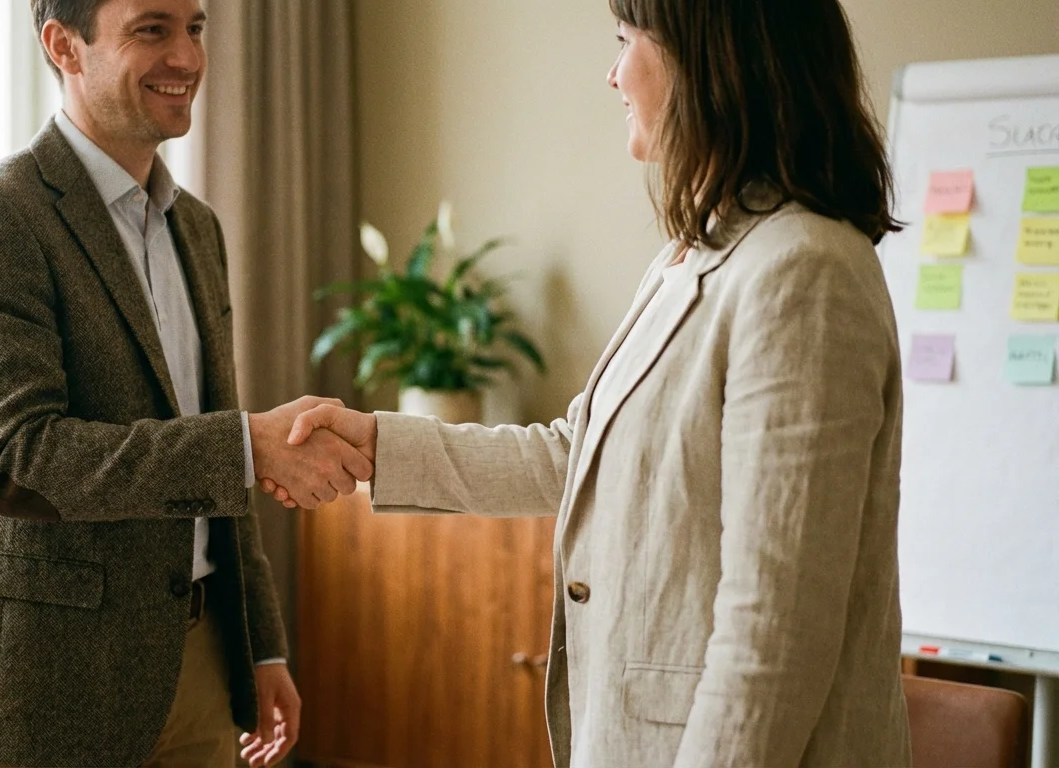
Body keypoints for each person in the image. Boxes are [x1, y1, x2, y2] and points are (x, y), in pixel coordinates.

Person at [272, 0, 912, 764]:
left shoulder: (803, 270)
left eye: (625, 41)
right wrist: (377, 445)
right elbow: (574, 453)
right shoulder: (694, 253)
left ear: (708, 60)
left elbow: (774, 628)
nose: (612, 74)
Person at [0, 1, 372, 766]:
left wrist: (260, 645)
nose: (187, 57)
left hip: (198, 664)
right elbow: (21, 460)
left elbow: (215, 449)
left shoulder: (199, 228)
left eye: (195, 27)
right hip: (44, 686)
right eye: (151, 30)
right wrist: (247, 446)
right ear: (64, 46)